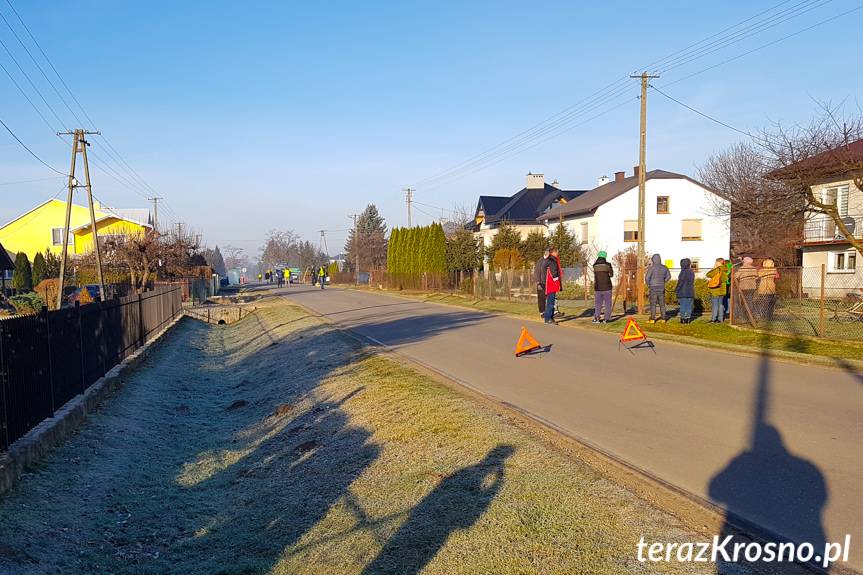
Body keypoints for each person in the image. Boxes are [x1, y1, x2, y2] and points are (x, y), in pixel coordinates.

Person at [644, 253, 671, 323]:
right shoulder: (665, 267)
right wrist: (663, 281)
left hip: (653, 287)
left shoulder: (652, 268)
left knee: (653, 304)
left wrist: (648, 284)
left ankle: (652, 319)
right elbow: (669, 277)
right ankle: (663, 319)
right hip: (661, 287)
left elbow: (647, 277)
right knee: (662, 304)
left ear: (653, 260)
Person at [541, 247, 561, 325]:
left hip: (547, 283)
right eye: (557, 252)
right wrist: (557, 283)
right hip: (551, 284)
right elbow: (554, 273)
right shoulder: (552, 261)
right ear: (553, 253)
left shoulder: (547, 260)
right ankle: (548, 318)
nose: (557, 254)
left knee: (550, 301)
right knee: (551, 302)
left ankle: (550, 318)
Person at [592, 251, 613, 323]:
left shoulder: (595, 265)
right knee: (607, 303)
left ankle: (597, 318)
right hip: (607, 287)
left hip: (598, 287)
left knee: (598, 303)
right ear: (605, 256)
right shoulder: (608, 265)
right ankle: (606, 319)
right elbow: (611, 274)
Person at [706, 257, 728, 323]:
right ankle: (720, 319)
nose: (715, 263)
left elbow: (708, 274)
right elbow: (724, 279)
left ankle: (713, 319)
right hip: (722, 289)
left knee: (715, 304)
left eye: (716, 262)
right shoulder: (725, 269)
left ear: (718, 262)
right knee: (720, 304)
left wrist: (714, 267)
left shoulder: (718, 269)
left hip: (715, 289)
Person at [675, 258, 695, 324]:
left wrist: (676, 289)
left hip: (683, 291)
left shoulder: (683, 271)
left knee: (683, 305)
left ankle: (683, 318)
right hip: (690, 291)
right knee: (689, 306)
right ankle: (688, 319)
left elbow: (681, 282)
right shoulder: (691, 271)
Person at [534, 249, 549, 317]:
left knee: (548, 297)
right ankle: (542, 312)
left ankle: (549, 311)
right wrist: (538, 282)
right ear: (546, 253)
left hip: (548, 282)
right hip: (541, 282)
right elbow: (537, 272)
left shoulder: (549, 261)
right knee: (541, 298)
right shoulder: (540, 261)